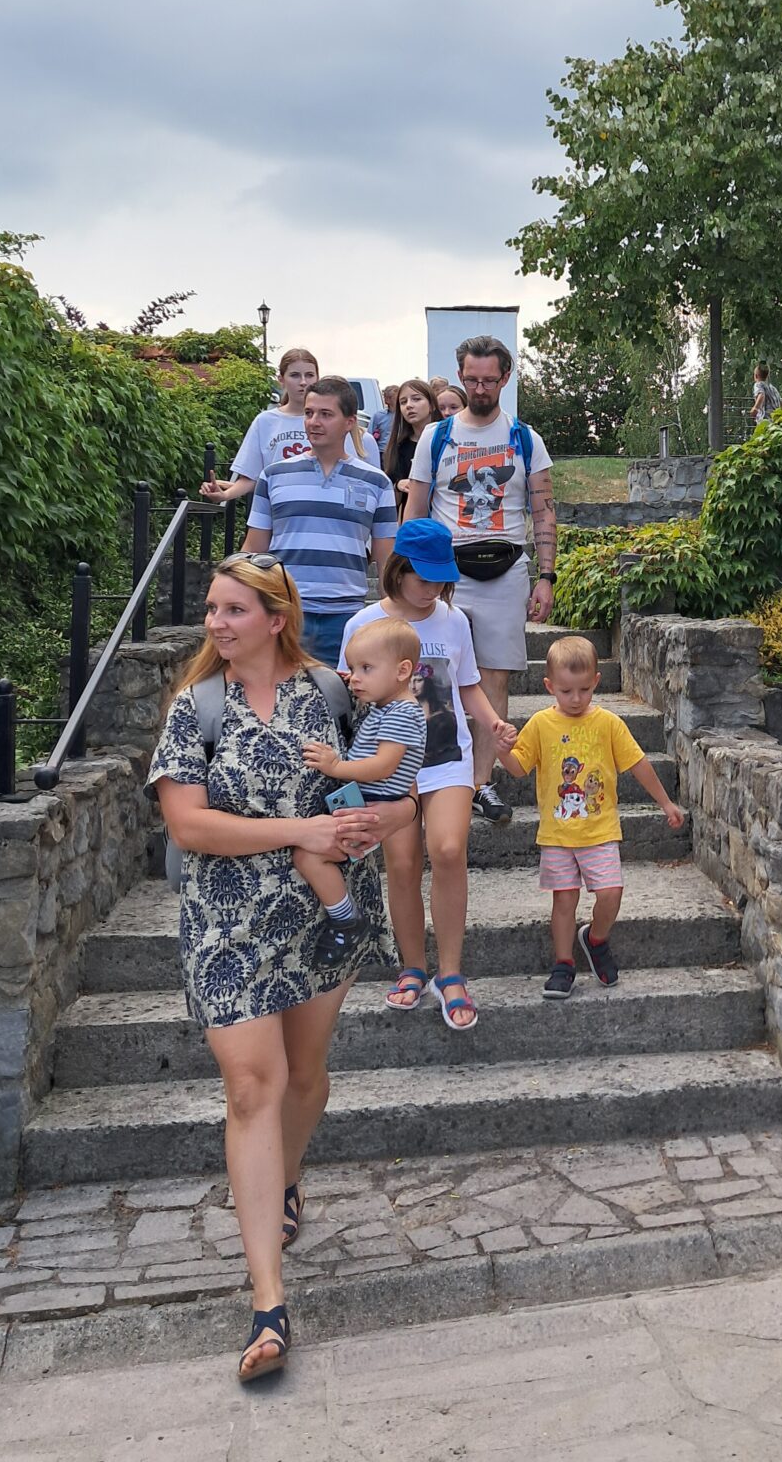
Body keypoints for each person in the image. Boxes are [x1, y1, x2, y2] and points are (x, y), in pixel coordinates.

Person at [147, 553, 419, 1382]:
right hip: (226, 923)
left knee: (304, 1077)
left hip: (318, 917)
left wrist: (379, 820)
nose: (215, 622)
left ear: (276, 618)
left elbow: (403, 790)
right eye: (212, 609)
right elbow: (190, 826)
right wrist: (301, 832)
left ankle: (286, 1175)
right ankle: (269, 1303)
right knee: (252, 1088)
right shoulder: (195, 706)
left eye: (233, 609)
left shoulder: (334, 693)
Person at [339, 519, 517, 1031]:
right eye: (423, 577)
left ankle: (451, 973)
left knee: (448, 850)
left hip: (448, 757)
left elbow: (467, 684)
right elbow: (349, 692)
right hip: (390, 766)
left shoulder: (454, 620)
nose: (432, 589)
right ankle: (412, 966)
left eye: (441, 579)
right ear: (398, 569)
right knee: (400, 864)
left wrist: (493, 724)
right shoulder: (364, 623)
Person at [405, 333, 556, 828]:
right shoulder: (437, 436)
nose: (480, 388)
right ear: (461, 375)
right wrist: (404, 572)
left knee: (494, 676)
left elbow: (543, 511)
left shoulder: (526, 439)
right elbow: (416, 507)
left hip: (506, 568)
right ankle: (431, 774)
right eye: (471, 379)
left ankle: (480, 781)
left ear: (505, 378)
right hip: (444, 571)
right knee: (431, 672)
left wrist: (547, 576)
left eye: (489, 380)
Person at [498, 635, 684, 998]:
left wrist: (665, 803)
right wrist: (502, 751)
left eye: (584, 689)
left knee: (611, 893)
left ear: (597, 681)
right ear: (549, 686)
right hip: (558, 833)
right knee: (564, 900)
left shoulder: (608, 723)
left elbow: (638, 763)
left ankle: (595, 939)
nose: (576, 698)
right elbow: (519, 768)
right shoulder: (540, 724)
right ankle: (563, 964)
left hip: (600, 829)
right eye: (566, 691)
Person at [295, 617, 426, 965]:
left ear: (402, 671)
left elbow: (384, 765)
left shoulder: (401, 712)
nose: (355, 677)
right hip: (366, 802)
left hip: (371, 807)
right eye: (353, 668)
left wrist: (335, 767)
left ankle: (346, 918)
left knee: (309, 856)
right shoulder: (385, 707)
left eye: (366, 669)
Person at [243, 377, 397, 667]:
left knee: (341, 695)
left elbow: (386, 558)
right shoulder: (273, 476)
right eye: (309, 413)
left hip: (347, 617)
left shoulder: (377, 483)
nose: (314, 422)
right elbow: (253, 549)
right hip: (286, 613)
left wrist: (392, 617)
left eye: (326, 414)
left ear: (349, 422)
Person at [201, 348, 379, 506]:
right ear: (281, 379)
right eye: (295, 375)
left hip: (329, 511)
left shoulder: (339, 425)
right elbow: (251, 477)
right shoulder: (266, 421)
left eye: (309, 375)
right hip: (281, 513)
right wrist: (224, 495)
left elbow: (360, 481)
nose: (303, 382)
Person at [384, 378, 439, 515]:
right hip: (414, 520)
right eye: (403, 402)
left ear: (432, 405)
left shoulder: (446, 441)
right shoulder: (399, 447)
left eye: (416, 399)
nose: (409, 405)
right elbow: (390, 500)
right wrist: (398, 485)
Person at [368, 385, 400, 460]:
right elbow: (369, 435)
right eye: (396, 397)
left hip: (399, 451)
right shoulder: (378, 415)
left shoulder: (404, 415)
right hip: (382, 452)